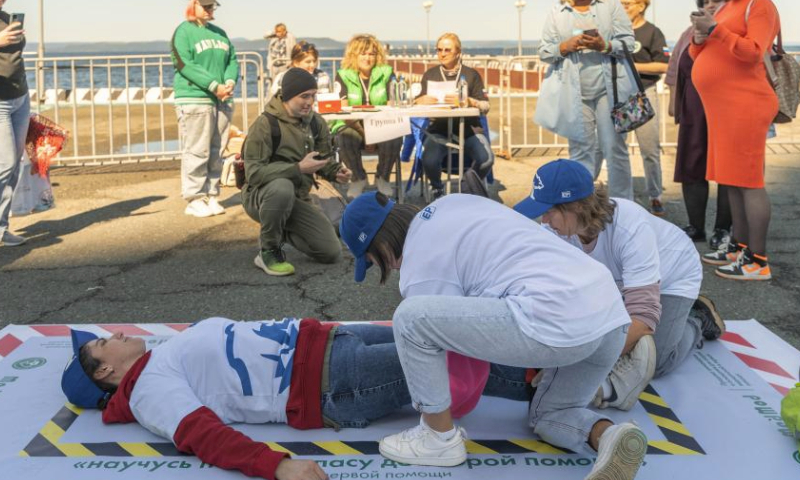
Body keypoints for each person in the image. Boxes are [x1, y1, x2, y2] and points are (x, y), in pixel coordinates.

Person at [339, 192, 647, 480]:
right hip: (608, 315)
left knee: (410, 318)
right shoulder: (452, 202)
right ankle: (608, 436)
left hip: (557, 320)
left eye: (371, 261)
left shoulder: (420, 268)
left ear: (378, 245)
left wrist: (440, 408)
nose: (382, 267)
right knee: (551, 416)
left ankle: (437, 439)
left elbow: (462, 373)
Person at [61, 319, 533, 480]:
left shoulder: (157, 360)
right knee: (445, 352)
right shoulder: (148, 391)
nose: (117, 333)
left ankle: (551, 375)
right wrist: (278, 465)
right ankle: (559, 385)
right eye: (105, 341)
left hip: (326, 344)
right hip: (333, 381)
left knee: (439, 335)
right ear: (105, 371)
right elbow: (201, 436)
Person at [514, 159, 726, 411]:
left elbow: (644, 315)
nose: (545, 220)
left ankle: (697, 318)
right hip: (618, 279)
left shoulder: (629, 226)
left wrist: (584, 365)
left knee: (657, 362)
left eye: (549, 210)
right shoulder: (555, 228)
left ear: (577, 206)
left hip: (674, 274)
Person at [690, 0, 780, 280]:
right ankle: (739, 248)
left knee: (749, 183)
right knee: (732, 181)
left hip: (745, 104)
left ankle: (757, 260)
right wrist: (699, 36)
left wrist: (715, 29)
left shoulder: (760, 5)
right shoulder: (727, 6)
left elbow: (753, 52)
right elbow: (698, 55)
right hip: (724, 107)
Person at [242, 68, 352, 277]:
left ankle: (278, 226)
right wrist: (297, 168)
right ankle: (269, 251)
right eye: (304, 96)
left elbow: (322, 160)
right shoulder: (265, 124)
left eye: (313, 95)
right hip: (261, 196)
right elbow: (253, 174)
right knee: (282, 187)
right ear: (288, 95)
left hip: (298, 197)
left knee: (331, 252)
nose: (310, 102)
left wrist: (336, 171)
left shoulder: (316, 122)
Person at [537, 0, 637, 200]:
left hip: (611, 92)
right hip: (574, 94)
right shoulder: (557, 12)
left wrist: (604, 45)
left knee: (614, 148)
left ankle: (624, 206)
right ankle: (582, 205)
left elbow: (630, 44)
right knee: (580, 152)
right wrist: (564, 46)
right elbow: (544, 51)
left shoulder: (611, 6)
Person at [666, 0, 732, 249]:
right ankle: (696, 227)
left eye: (718, 1)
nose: (712, 5)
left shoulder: (733, 29)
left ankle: (723, 229)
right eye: (707, 1)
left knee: (727, 170)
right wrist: (674, 102)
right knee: (691, 166)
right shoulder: (688, 32)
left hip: (727, 108)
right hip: (694, 109)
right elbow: (675, 68)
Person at [170, 0, 238, 218]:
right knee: (197, 149)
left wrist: (229, 81)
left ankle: (211, 193)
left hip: (222, 99)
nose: (210, 10)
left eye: (212, 6)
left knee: (217, 149)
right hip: (195, 98)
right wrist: (212, 85)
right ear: (194, 5)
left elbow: (232, 60)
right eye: (206, 5)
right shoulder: (183, 32)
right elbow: (184, 64)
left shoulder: (220, 33)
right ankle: (194, 197)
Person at [414, 33, 493, 199]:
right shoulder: (430, 75)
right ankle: (437, 189)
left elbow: (486, 106)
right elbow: (416, 104)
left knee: (486, 159)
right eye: (439, 50)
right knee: (429, 159)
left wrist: (469, 101)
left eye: (447, 50)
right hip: (438, 130)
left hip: (470, 129)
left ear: (458, 52)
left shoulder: (471, 75)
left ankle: (467, 188)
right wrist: (420, 100)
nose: (442, 53)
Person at [332, 34, 401, 199]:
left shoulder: (387, 73)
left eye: (372, 54)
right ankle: (358, 178)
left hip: (381, 124)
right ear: (353, 55)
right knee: (344, 135)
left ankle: (383, 177)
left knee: (395, 135)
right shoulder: (343, 75)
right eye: (363, 53)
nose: (367, 58)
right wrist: (367, 135)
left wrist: (375, 134)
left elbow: (393, 105)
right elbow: (344, 110)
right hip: (352, 125)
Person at [621, 0, 668, 215]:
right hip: (620, 96)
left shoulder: (652, 32)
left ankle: (655, 195)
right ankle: (622, 197)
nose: (624, 7)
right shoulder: (616, 32)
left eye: (628, 4)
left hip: (644, 93)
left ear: (641, 6)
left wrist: (633, 66)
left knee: (649, 149)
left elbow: (664, 64)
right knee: (616, 149)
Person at [0, 0, 30, 247]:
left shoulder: (7, 17)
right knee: (6, 162)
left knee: (15, 163)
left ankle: (1, 228)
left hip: (20, 96)